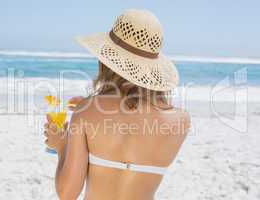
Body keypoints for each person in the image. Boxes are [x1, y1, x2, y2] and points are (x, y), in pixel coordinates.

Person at [44, 9, 190, 200]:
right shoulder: (181, 121)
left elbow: (67, 193)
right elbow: (137, 116)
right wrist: (95, 105)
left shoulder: (87, 111)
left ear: (108, 59)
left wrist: (62, 145)